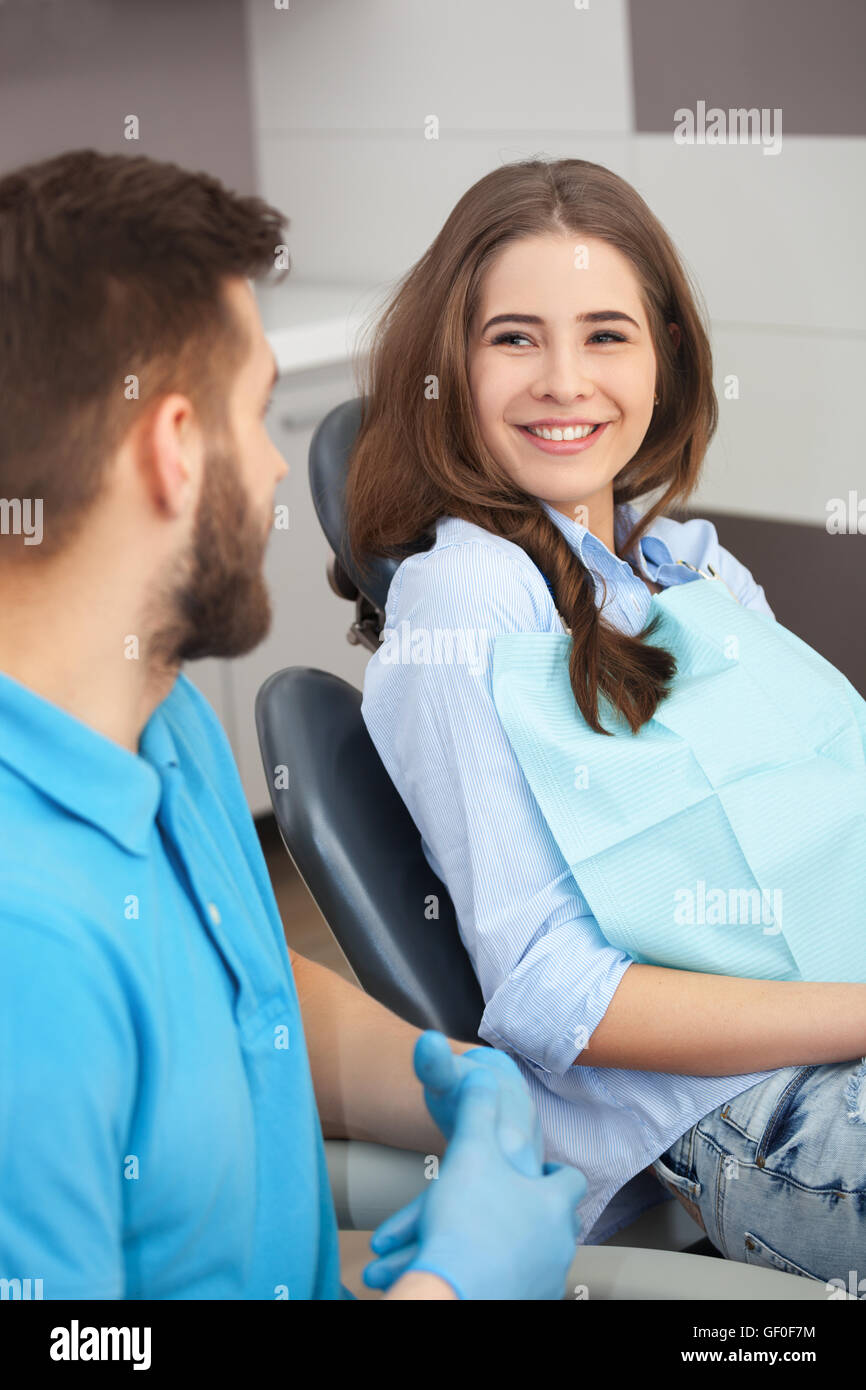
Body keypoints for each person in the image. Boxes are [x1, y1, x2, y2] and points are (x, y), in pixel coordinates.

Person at [0, 149, 587, 1301]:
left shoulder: (152, 714)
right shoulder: (29, 957)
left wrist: (457, 1084)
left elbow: (252, 997)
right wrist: (448, 1292)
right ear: (173, 448)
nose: (277, 466)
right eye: (256, 412)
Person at [350, 156, 866, 1281]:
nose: (563, 381)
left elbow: (819, 803)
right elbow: (550, 994)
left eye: (604, 334)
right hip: (736, 1112)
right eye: (513, 338)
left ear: (664, 355)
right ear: (447, 364)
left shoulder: (682, 562)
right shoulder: (468, 600)